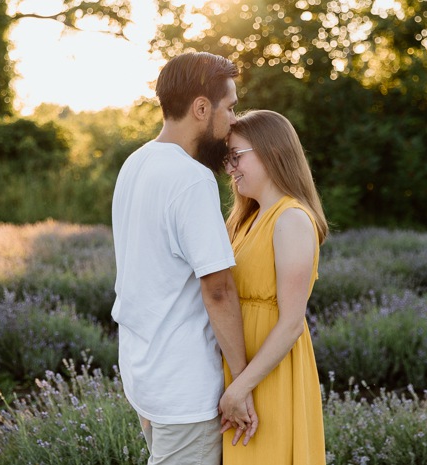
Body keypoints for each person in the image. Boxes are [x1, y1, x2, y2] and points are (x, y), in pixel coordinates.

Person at [111, 52, 258, 465]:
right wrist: (243, 382)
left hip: (144, 374)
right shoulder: (190, 178)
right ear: (200, 107)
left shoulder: (135, 164)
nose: (233, 120)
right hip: (184, 387)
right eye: (229, 107)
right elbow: (218, 290)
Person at [219, 109, 329, 464]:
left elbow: (292, 323)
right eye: (227, 159)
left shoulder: (292, 219)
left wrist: (241, 387)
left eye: (236, 156)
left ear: (271, 151)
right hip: (243, 370)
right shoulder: (247, 219)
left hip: (270, 374)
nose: (230, 167)